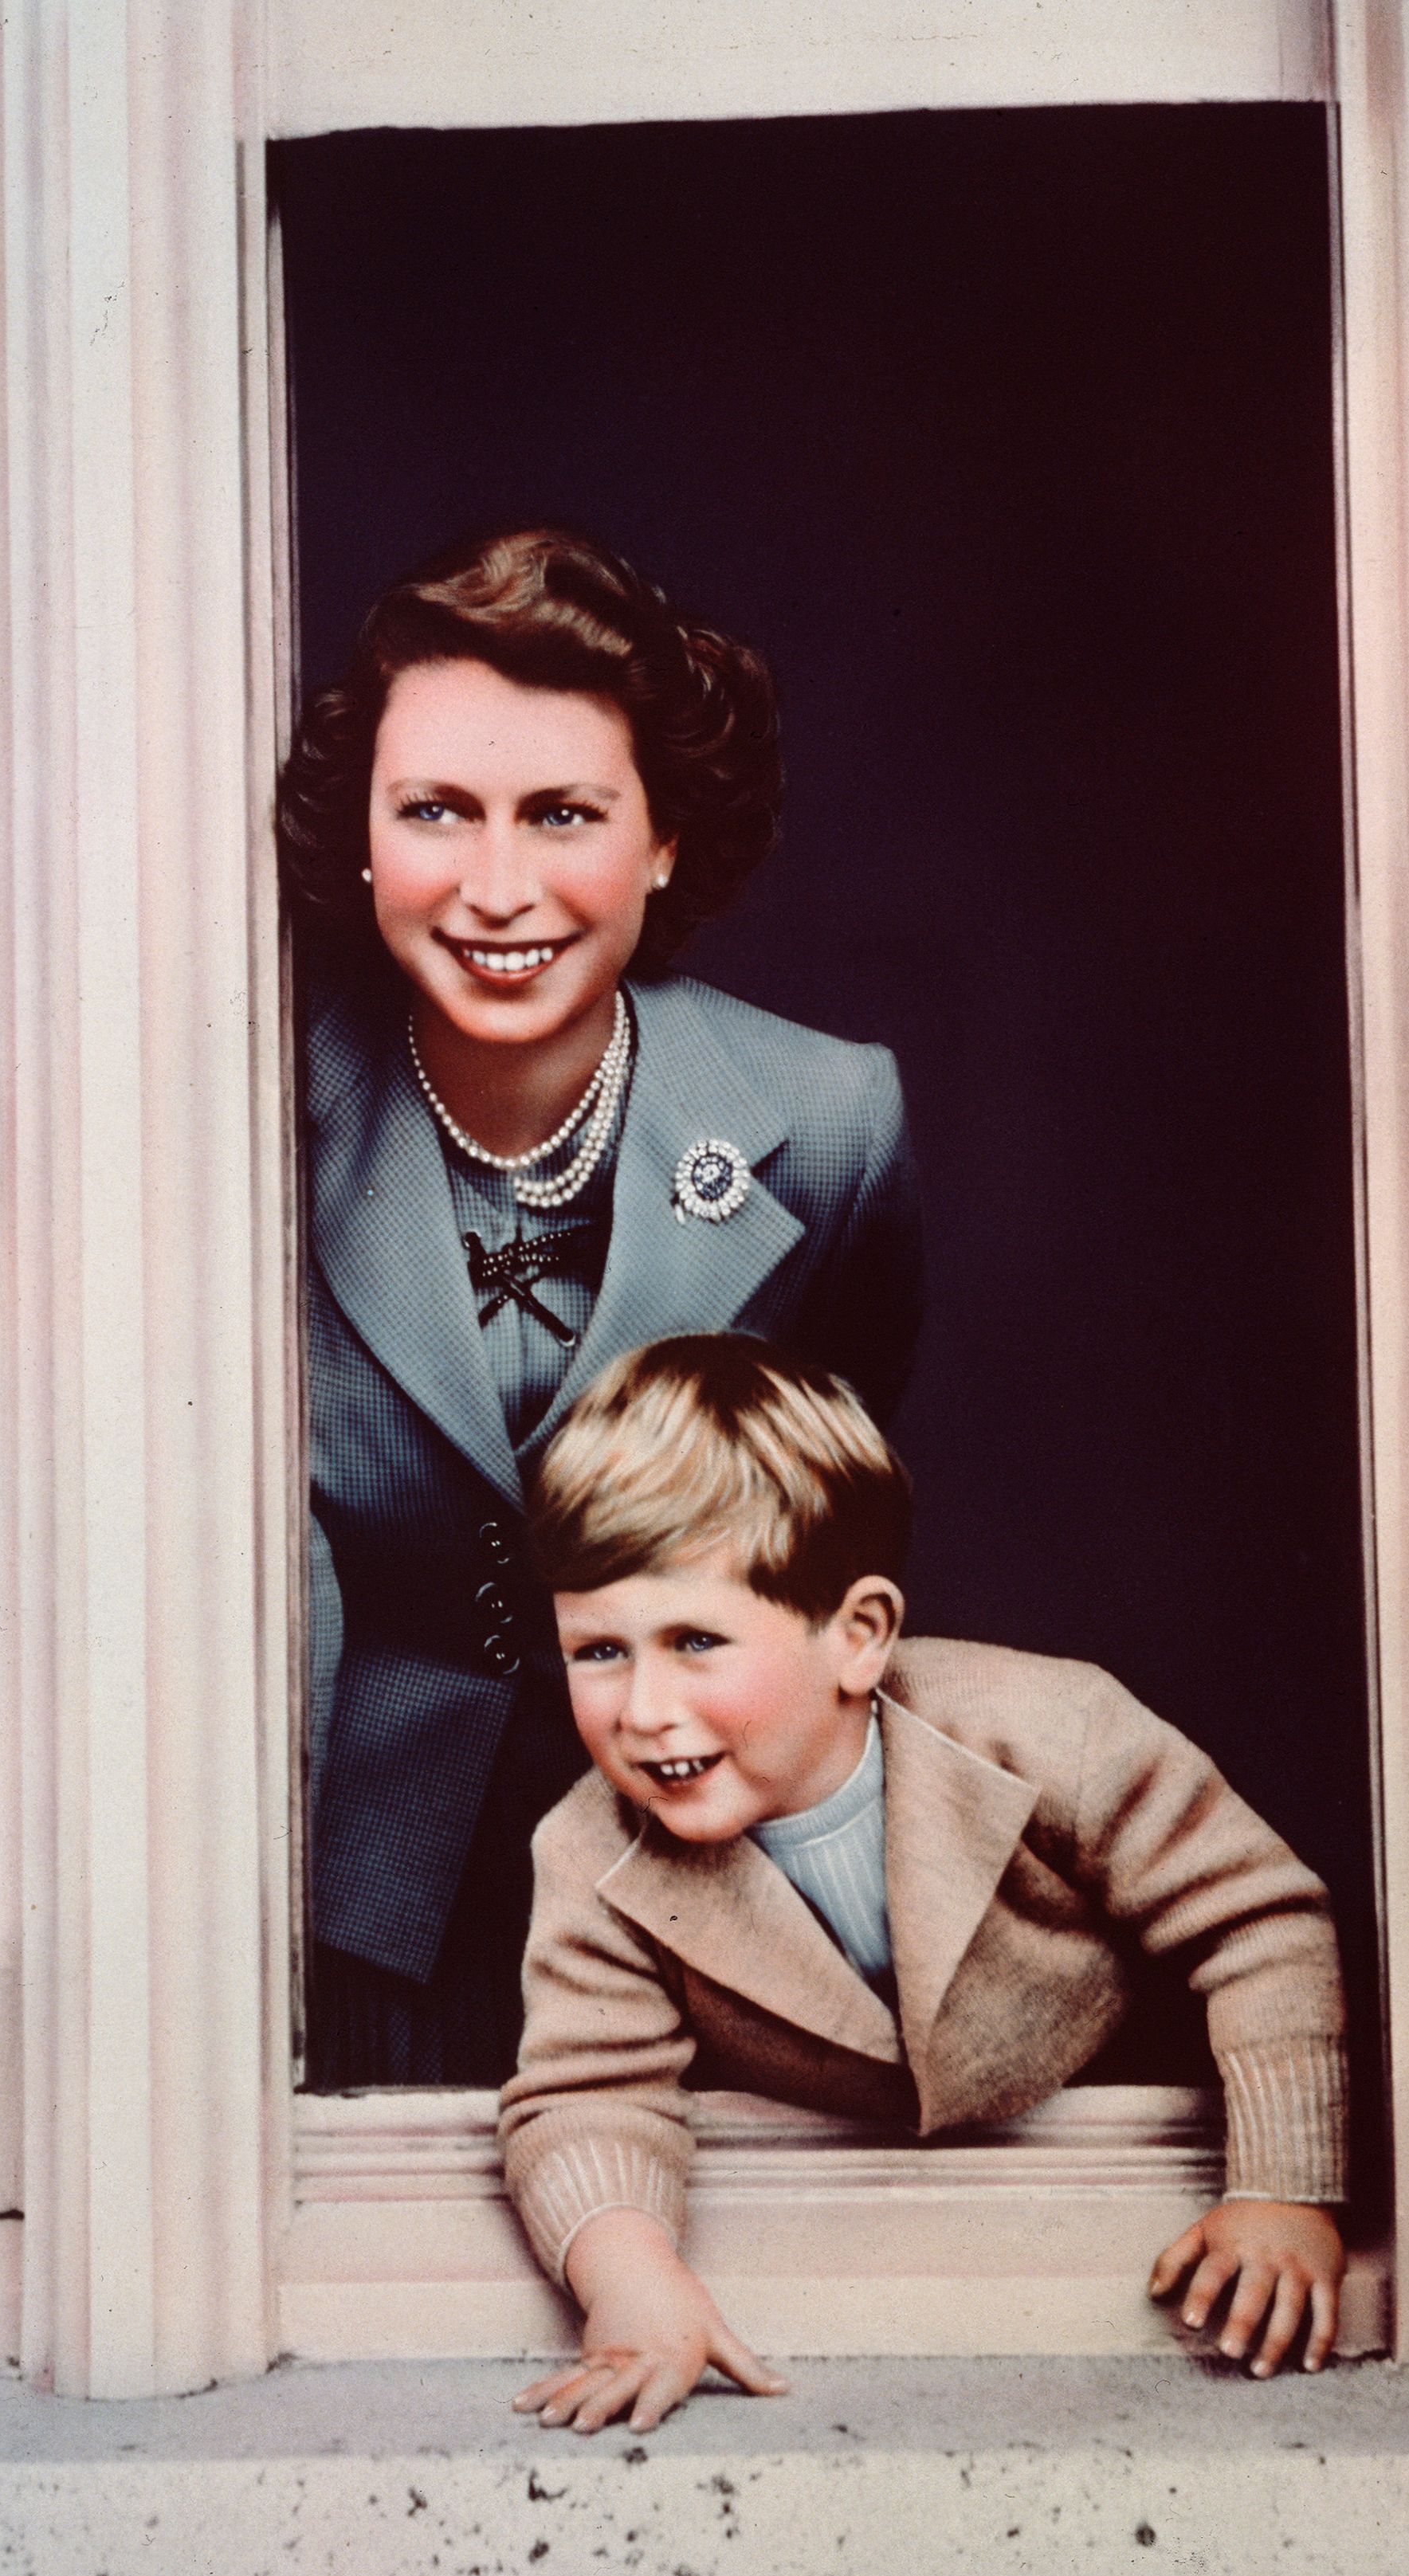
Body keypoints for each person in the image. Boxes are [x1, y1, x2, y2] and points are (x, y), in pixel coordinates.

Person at [278, 527, 922, 2089]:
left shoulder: (830, 1121)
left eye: (564, 814)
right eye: (437, 811)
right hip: (347, 1915)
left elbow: (830, 1512)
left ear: (663, 842)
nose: (498, 887)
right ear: (364, 838)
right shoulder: (258, 1117)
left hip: (706, 1894)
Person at [499, 1333, 1348, 2433]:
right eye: (598, 1652)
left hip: (1102, 2159)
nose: (644, 1707)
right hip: (858, 2204)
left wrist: (1283, 2190)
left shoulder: (1055, 1731)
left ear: (858, 1637)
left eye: (695, 1639)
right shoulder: (588, 1851)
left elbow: (1258, 1920)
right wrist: (629, 2278)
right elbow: (584, 2092)